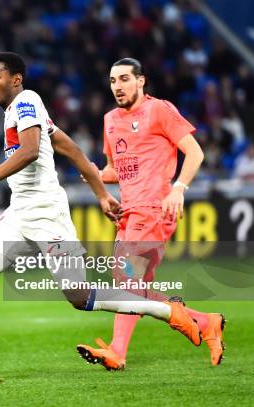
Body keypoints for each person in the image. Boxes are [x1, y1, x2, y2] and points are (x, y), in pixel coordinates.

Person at [0, 52, 202, 388]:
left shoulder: (27, 101)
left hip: (48, 213)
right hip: (21, 211)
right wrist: (103, 195)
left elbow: (31, 150)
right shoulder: (19, 112)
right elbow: (74, 151)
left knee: (79, 297)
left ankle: (170, 313)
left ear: (16, 79)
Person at [77, 58, 225, 370]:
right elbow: (116, 171)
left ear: (141, 81)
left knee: (126, 284)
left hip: (155, 209)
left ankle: (117, 351)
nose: (118, 86)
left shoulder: (160, 110)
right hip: (127, 213)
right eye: (113, 80)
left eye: (125, 79)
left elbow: (196, 152)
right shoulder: (110, 120)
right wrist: (95, 174)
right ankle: (204, 321)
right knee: (134, 290)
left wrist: (179, 188)